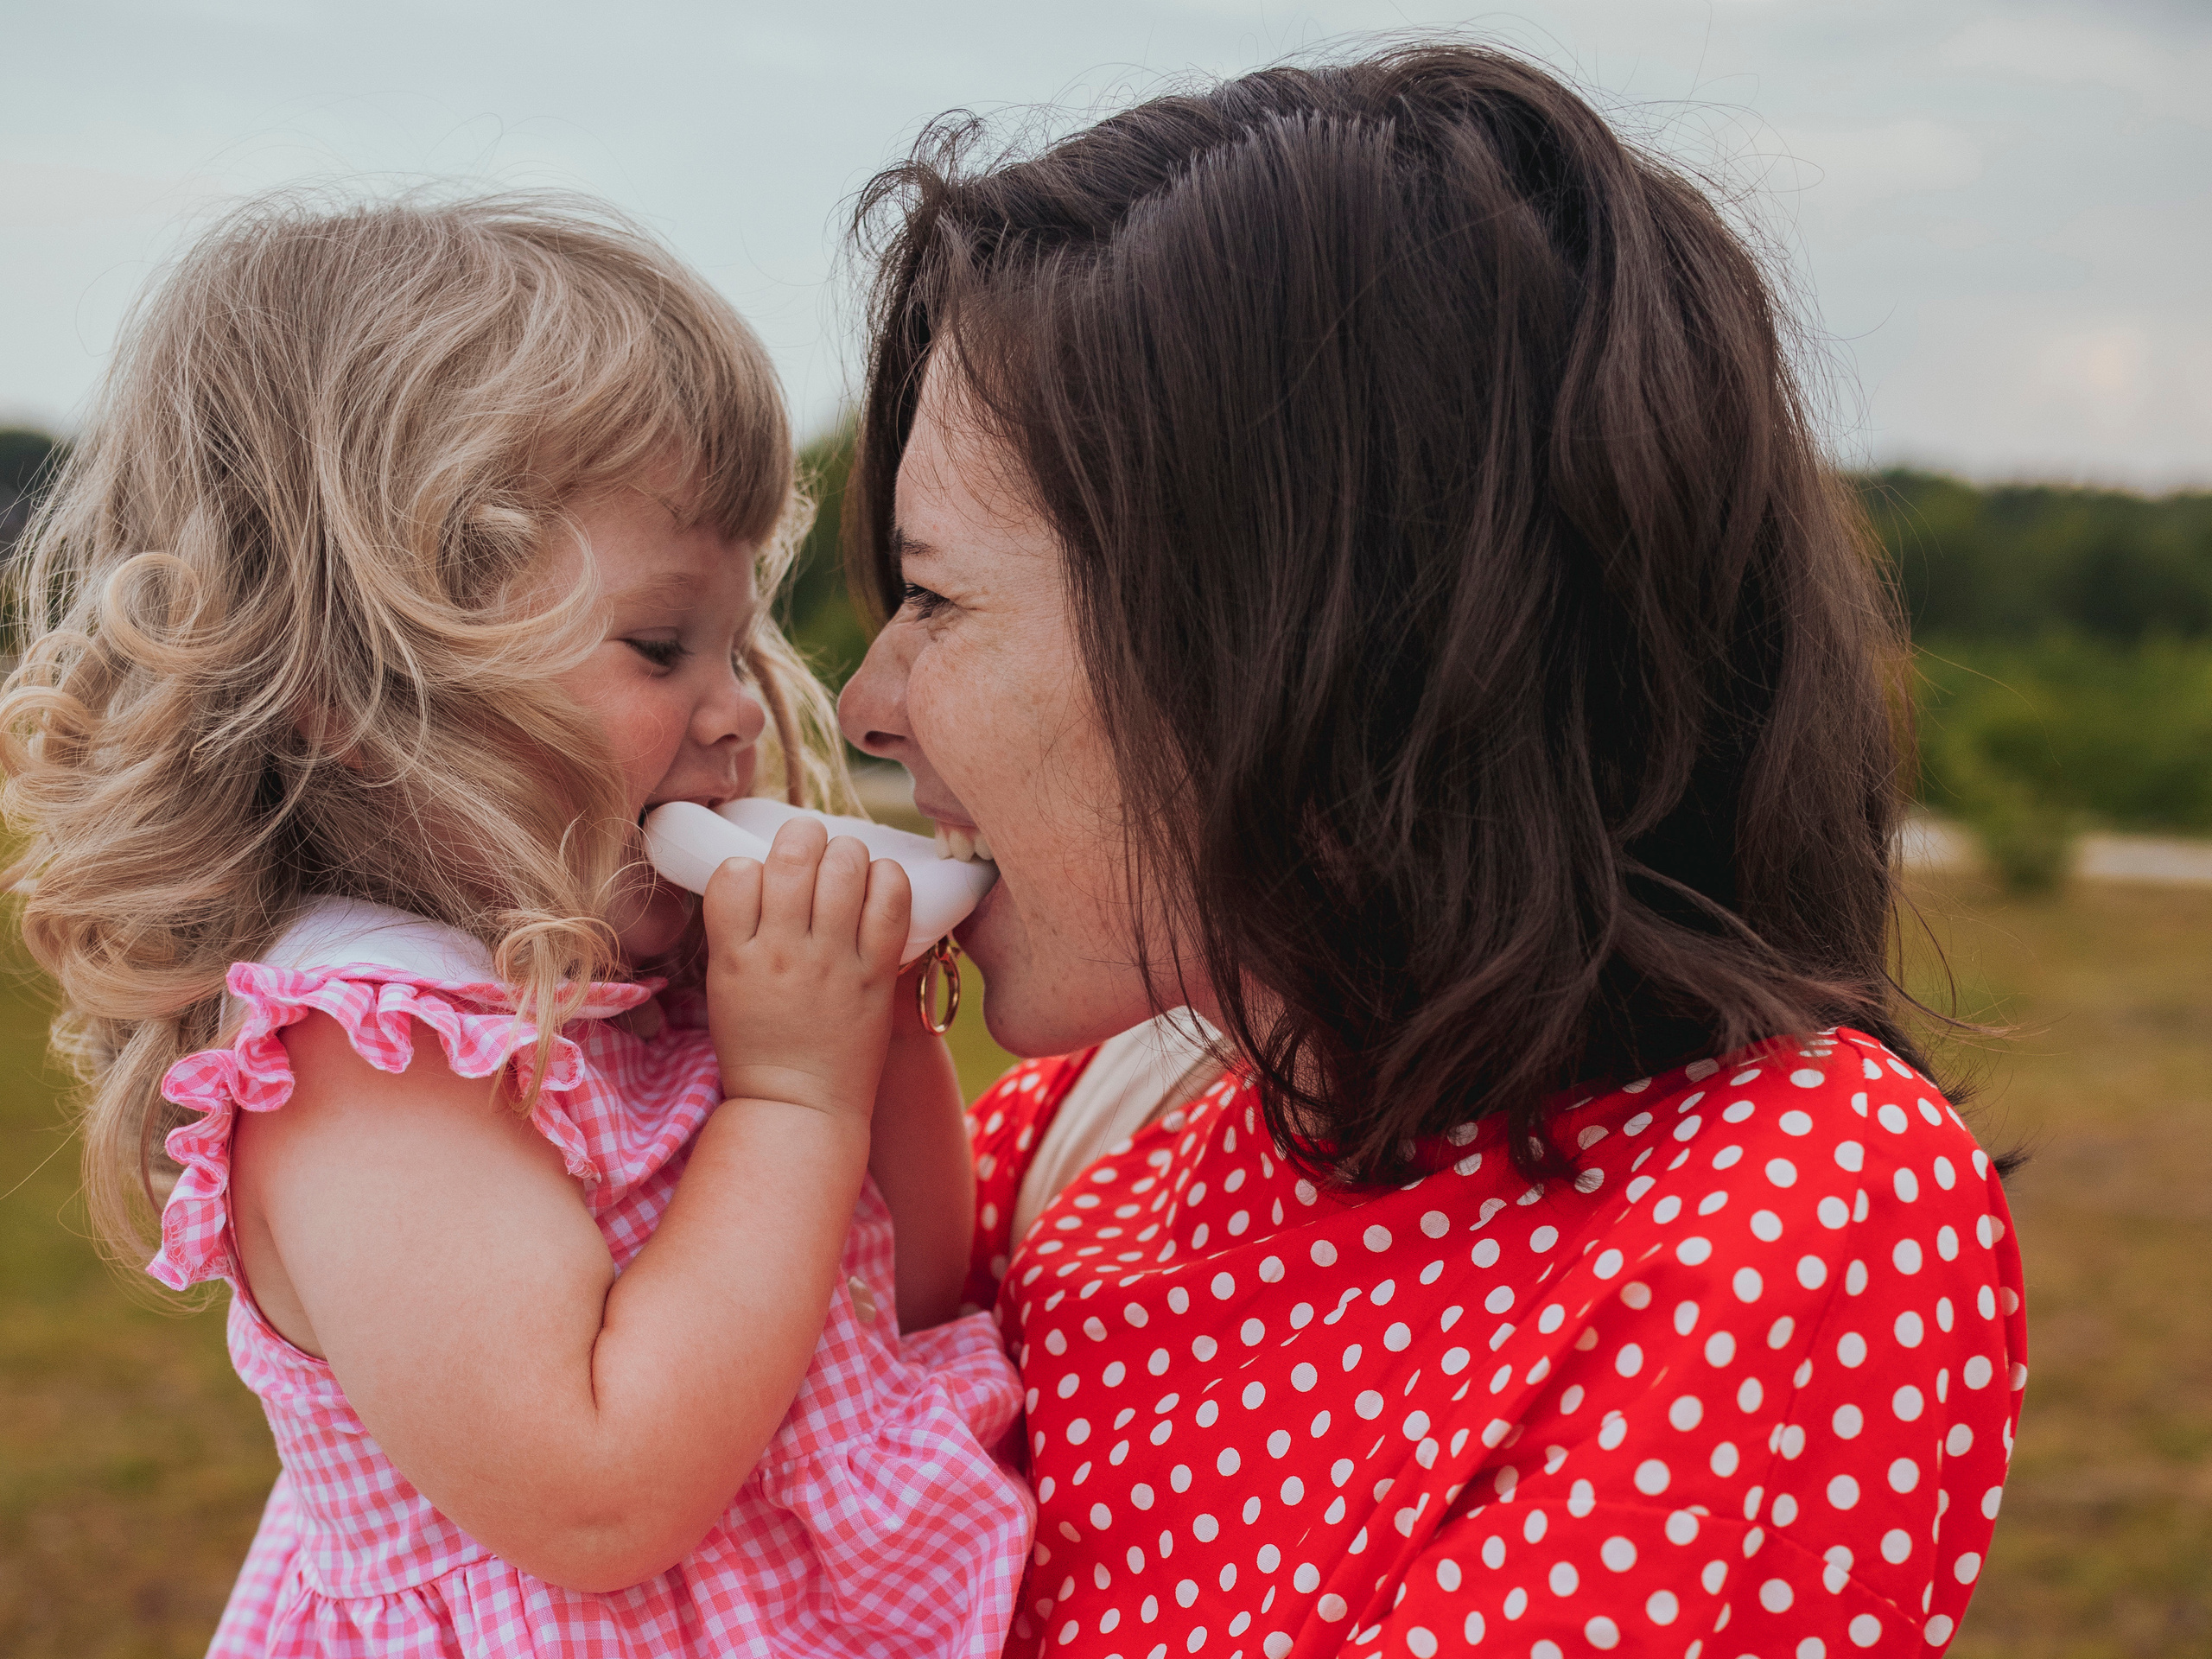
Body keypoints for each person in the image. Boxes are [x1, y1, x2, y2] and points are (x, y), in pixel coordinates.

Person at [836, 45, 2027, 1656]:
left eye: (934, 595)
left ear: (1295, 640)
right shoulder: (1111, 1119)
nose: (867, 703)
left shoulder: (1780, 1210)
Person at [0, 194, 1030, 1656]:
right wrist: (794, 1099)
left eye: (739, 642)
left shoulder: (645, 978)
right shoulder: (368, 1064)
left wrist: (871, 1043)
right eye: (662, 647)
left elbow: (910, 1299)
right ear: (361, 693)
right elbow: (601, 1494)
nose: (741, 711)